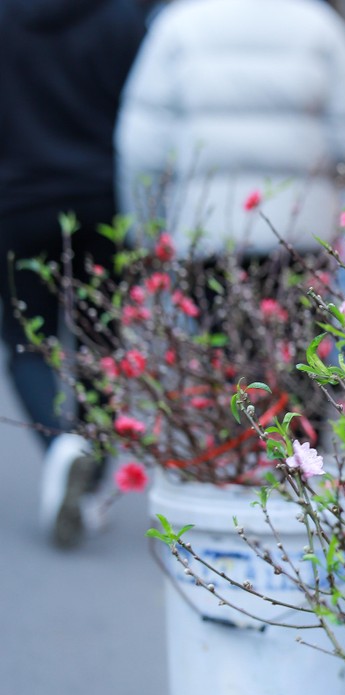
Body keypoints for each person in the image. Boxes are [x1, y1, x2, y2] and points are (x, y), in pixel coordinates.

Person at [0, 0, 148, 548]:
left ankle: (61, 447)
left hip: (16, 202)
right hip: (103, 202)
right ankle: (88, 483)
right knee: (101, 342)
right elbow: (144, 111)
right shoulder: (122, 18)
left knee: (25, 339)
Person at [115, 0, 345, 261]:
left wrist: (148, 237)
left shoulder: (177, 26)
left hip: (202, 234)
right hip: (301, 234)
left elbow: (144, 150)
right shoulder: (321, 26)